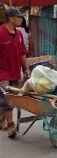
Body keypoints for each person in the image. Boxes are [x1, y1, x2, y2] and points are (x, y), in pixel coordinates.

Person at [0, 8, 31, 137]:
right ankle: (11, 125)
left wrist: (26, 69)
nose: (21, 19)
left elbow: (23, 53)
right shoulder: (0, 33)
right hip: (2, 73)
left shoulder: (19, 33)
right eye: (19, 17)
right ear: (11, 19)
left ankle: (1, 118)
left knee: (11, 99)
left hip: (15, 72)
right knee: (6, 99)